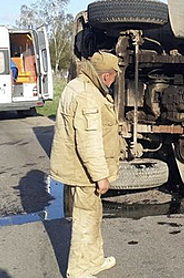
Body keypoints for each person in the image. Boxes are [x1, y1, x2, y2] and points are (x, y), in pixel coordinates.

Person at [50, 51, 122, 278]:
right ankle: (79, 270)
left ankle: (94, 261)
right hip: (84, 171)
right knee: (85, 218)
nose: (114, 81)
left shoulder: (76, 85)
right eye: (114, 76)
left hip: (78, 167)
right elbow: (88, 140)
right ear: (107, 76)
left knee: (92, 215)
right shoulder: (88, 96)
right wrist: (101, 175)